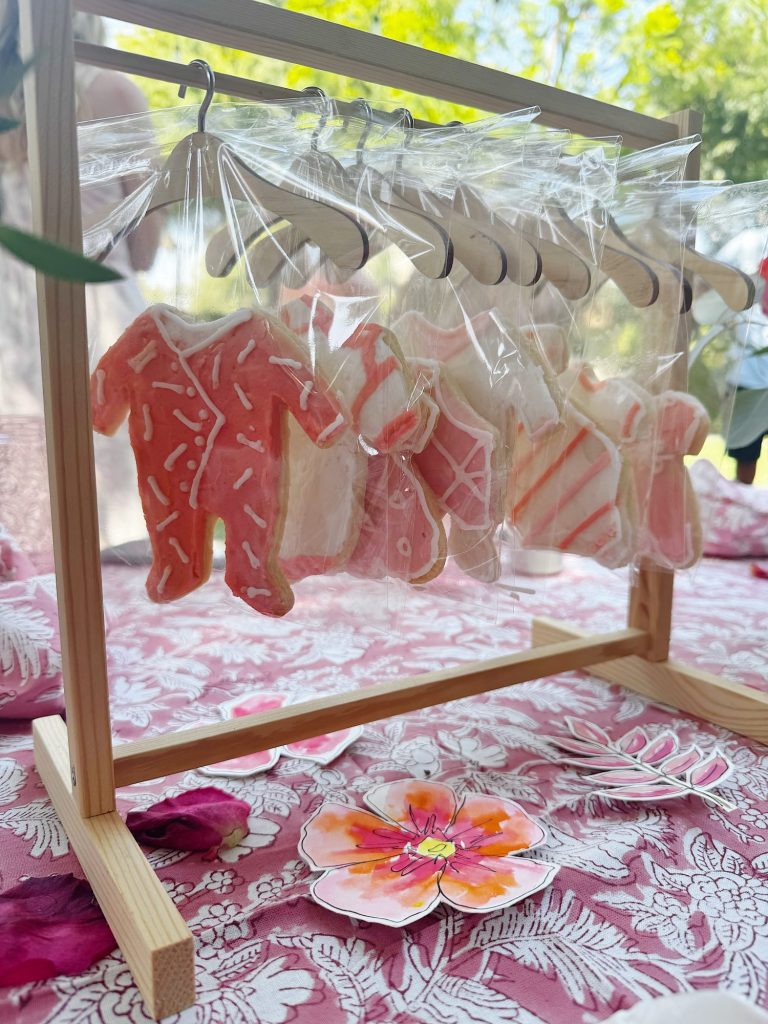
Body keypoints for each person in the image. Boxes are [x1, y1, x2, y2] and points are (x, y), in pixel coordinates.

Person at [0, 3, 161, 554]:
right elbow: (146, 249)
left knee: (41, 564)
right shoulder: (113, 93)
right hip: (102, 329)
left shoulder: (5, 112)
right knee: (129, 557)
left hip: (16, 338)